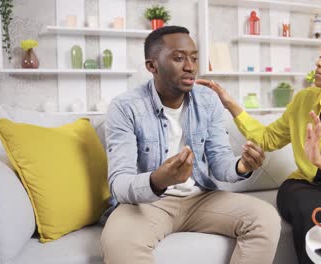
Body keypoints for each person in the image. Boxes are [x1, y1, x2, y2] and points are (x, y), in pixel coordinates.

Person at [197, 36, 321, 264]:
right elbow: (267, 139)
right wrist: (230, 104)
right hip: (307, 187)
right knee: (310, 208)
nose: (319, 63)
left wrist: (320, 161)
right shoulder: (305, 99)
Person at [100, 26, 281, 264]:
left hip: (200, 200)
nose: (190, 66)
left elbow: (219, 162)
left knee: (265, 217)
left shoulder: (208, 101)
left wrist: (241, 166)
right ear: (151, 66)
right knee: (119, 242)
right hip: (146, 204)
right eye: (178, 58)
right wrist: (158, 179)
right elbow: (119, 183)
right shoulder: (125, 107)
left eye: (194, 58)